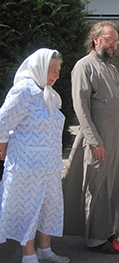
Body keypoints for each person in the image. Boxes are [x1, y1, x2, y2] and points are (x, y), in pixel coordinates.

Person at [62, 21, 119, 254]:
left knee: (113, 185)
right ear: (96, 39)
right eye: (109, 40)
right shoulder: (84, 66)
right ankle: (94, 238)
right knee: (97, 186)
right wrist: (94, 140)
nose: (113, 45)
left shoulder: (111, 67)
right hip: (100, 138)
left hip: (118, 139)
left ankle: (108, 230)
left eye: (116, 41)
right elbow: (80, 108)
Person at [0, 48, 69, 263]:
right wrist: (2, 151)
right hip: (26, 167)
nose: (57, 75)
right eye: (52, 70)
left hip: (49, 165)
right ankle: (28, 255)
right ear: (39, 68)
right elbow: (3, 123)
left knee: (49, 207)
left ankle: (44, 250)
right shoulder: (24, 90)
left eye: (58, 70)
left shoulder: (47, 93)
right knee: (28, 209)